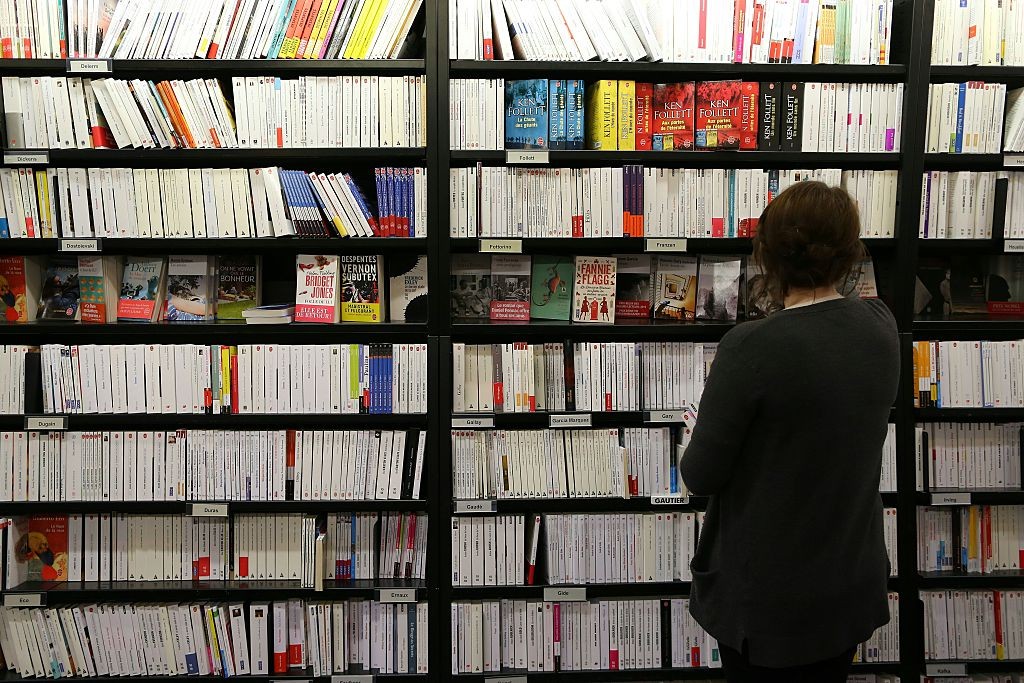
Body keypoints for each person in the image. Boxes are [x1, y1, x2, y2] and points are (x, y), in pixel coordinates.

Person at [679, 181, 899, 682]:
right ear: (850, 251)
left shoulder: (750, 347)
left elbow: (701, 474)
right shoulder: (880, 325)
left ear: (769, 255)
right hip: (849, 582)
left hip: (770, 600)